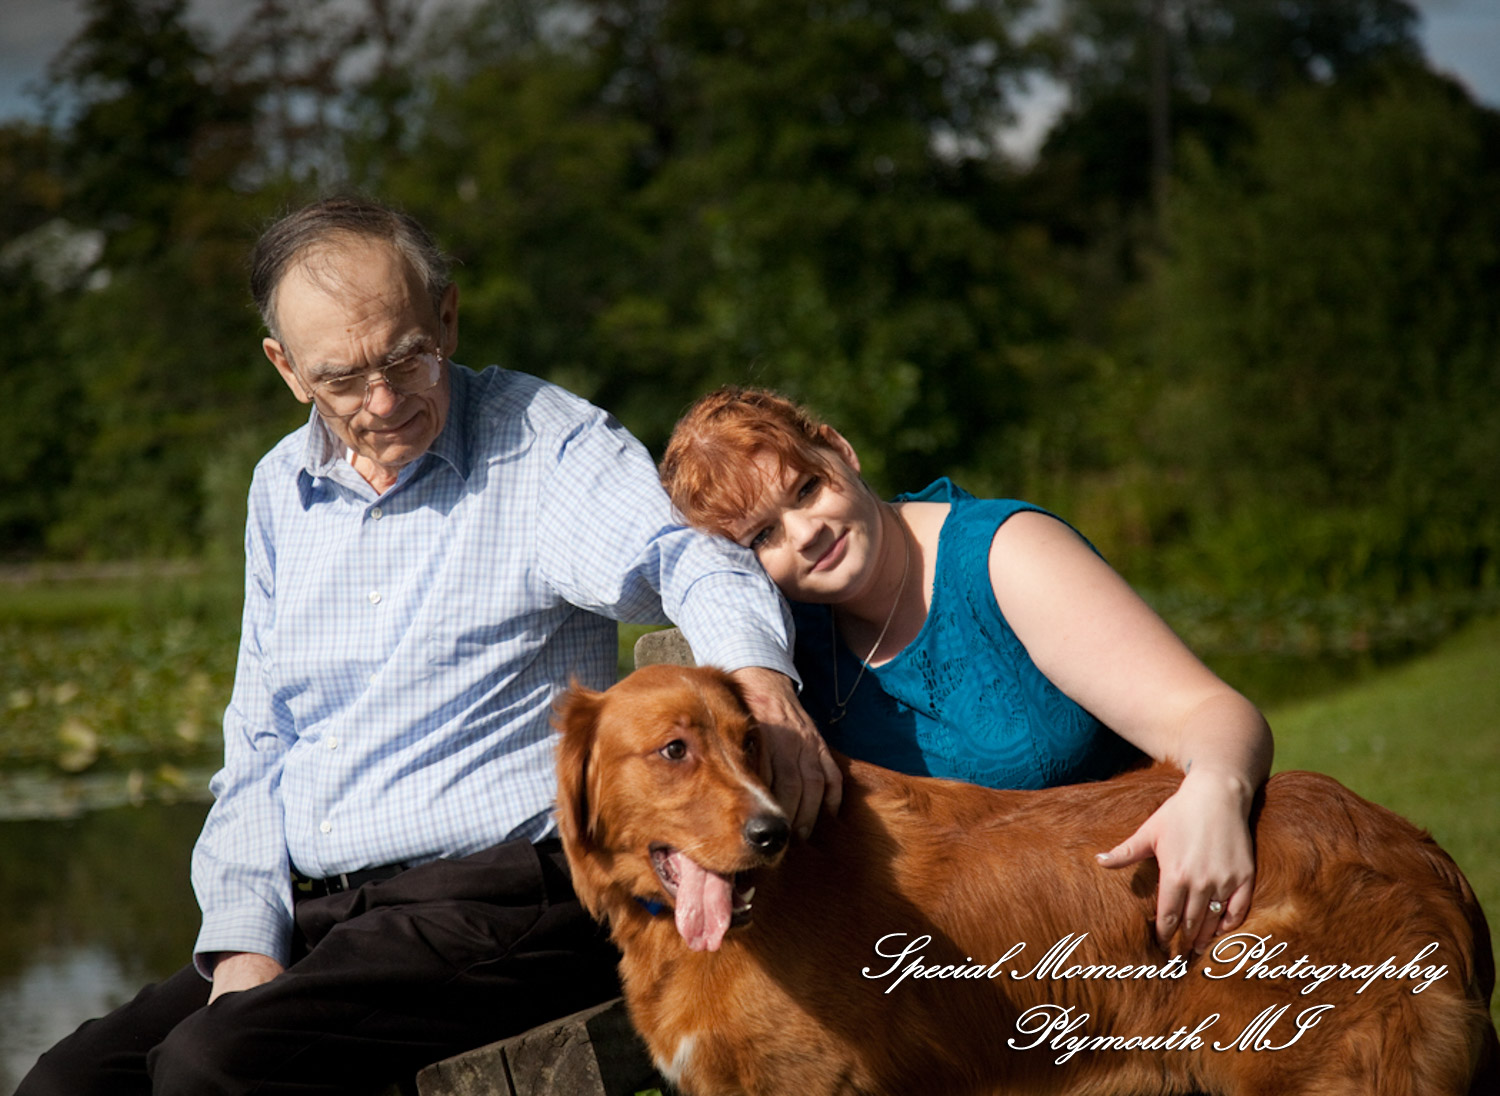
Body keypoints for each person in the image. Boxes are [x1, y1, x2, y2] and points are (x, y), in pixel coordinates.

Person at [18, 200, 838, 1096]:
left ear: (446, 316)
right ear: (287, 371)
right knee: (70, 1083)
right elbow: (258, 739)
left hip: (500, 900)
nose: (382, 401)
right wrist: (248, 944)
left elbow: (683, 557)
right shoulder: (278, 494)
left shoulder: (542, 445)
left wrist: (762, 687)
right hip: (321, 913)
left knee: (211, 1071)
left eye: (406, 356)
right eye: (342, 378)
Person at [659, 386, 1275, 956]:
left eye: (807, 489)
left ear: (841, 451)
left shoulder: (1005, 554)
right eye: (765, 535)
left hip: (1159, 922)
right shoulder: (786, 644)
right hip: (978, 981)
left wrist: (1218, 788)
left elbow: (1205, 712)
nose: (807, 532)